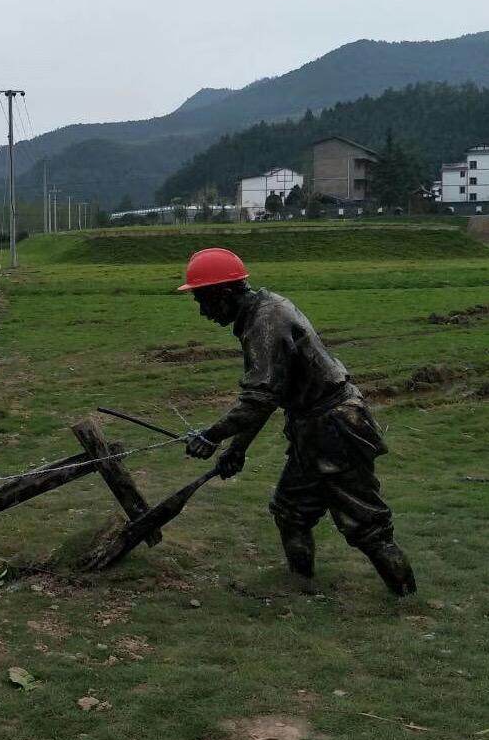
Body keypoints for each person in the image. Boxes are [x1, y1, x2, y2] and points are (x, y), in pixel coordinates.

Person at [178, 247, 416, 596]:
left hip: (335, 428)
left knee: (367, 526)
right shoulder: (261, 312)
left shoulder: (265, 323)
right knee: (291, 512)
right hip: (314, 429)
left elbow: (259, 398)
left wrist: (212, 436)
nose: (202, 312)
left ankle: (407, 601)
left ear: (224, 294)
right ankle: (299, 587)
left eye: (203, 301)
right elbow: (270, 395)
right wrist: (237, 448)